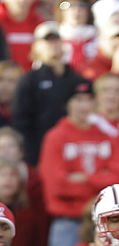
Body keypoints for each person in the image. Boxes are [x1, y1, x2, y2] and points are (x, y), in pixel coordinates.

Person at [38, 81, 119, 246]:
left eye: (89, 100)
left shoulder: (107, 135)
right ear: (68, 104)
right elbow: (57, 185)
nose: (84, 105)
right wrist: (100, 180)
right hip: (68, 221)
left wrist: (83, 179)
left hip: (107, 222)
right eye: (78, 100)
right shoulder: (56, 136)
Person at [11, 21, 89, 166]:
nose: (53, 44)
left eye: (56, 39)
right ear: (36, 46)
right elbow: (21, 122)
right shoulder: (29, 81)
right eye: (47, 40)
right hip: (40, 154)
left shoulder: (78, 80)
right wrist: (32, 157)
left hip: (76, 152)